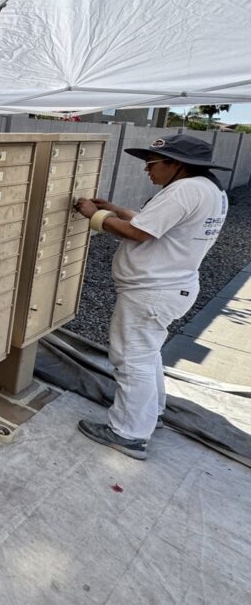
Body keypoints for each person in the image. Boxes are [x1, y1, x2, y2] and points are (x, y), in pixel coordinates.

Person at [72, 134, 229, 460]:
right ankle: (150, 413)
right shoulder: (211, 190)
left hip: (152, 291)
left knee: (132, 360)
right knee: (148, 354)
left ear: (176, 164)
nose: (147, 170)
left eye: (152, 164)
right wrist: (116, 209)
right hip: (175, 285)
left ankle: (128, 433)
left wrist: (94, 215)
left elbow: (140, 233)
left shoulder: (185, 190)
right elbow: (159, 224)